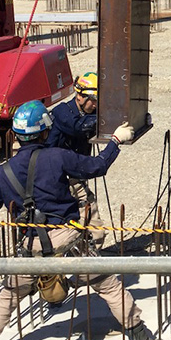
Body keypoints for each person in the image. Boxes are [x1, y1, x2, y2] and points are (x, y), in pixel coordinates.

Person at [0, 100, 165, 340]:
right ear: (45, 132)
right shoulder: (57, 157)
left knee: (8, 297)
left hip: (31, 248)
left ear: (17, 136)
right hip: (70, 243)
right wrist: (116, 141)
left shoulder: (2, 173)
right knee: (109, 287)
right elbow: (97, 166)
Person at [46, 72, 107, 248]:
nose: (95, 104)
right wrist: (108, 119)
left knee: (91, 222)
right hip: (57, 177)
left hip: (74, 174)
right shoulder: (62, 112)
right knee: (67, 222)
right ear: (79, 95)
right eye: (92, 99)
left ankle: (90, 257)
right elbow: (79, 128)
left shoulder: (91, 112)